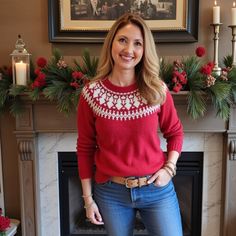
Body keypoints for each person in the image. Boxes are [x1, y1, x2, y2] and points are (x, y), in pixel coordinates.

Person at [77, 12, 184, 236]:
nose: (129, 50)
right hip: (111, 193)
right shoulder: (91, 94)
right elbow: (85, 148)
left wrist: (169, 168)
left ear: (145, 51)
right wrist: (88, 200)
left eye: (138, 43)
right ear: (112, 43)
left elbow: (175, 133)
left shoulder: (157, 90)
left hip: (157, 190)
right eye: (123, 40)